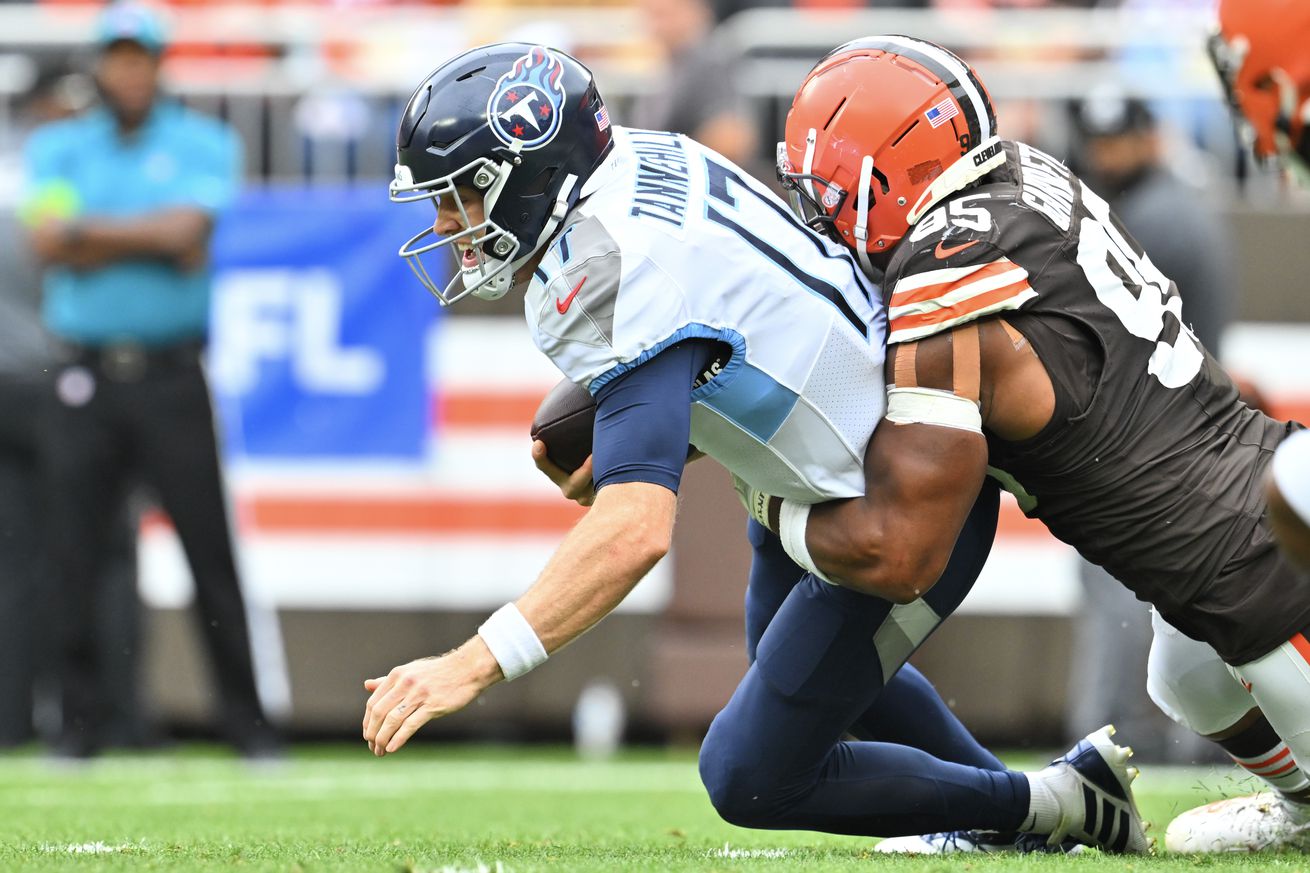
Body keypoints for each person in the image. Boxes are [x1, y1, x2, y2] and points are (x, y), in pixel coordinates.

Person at [366, 42, 1147, 853]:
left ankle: (1044, 803)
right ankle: (1040, 813)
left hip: (898, 496)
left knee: (751, 771)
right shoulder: (632, 161)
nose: (446, 225)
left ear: (529, 175)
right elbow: (734, 333)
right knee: (825, 684)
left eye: (459, 196)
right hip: (840, 458)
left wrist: (470, 663)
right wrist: (653, 420)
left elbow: (634, 530)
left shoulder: (607, 270)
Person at [755, 34, 1310, 853]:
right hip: (1247, 486)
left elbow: (904, 546)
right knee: (1182, 675)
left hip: (1254, 579)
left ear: (887, 176)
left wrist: (758, 488)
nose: (821, 211)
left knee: (1206, 656)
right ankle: (1304, 800)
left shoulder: (951, 263)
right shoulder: (1018, 175)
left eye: (831, 188)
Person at [22, 3, 280, 759]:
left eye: (141, 57)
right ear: (100, 65)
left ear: (160, 65)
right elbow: (47, 241)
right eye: (117, 57)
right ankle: (75, 726)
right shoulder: (59, 146)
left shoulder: (203, 141)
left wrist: (90, 235)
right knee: (69, 554)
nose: (128, 71)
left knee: (210, 553)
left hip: (172, 374)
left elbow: (186, 233)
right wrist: (148, 236)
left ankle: (248, 725)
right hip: (85, 376)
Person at [1061, 88, 1237, 764]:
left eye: (1120, 138)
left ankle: (1120, 739)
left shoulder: (1151, 218)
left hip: (1147, 439)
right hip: (1178, 430)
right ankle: (1181, 741)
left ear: (1148, 137)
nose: (1108, 153)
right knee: (1167, 599)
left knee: (1124, 600)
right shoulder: (1169, 207)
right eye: (1100, 140)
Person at [628, 0, 757, 166]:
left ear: (695, 12)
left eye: (664, 15)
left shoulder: (710, 62)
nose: (656, 26)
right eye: (651, 16)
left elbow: (731, 139)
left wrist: (677, 163)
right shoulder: (671, 64)